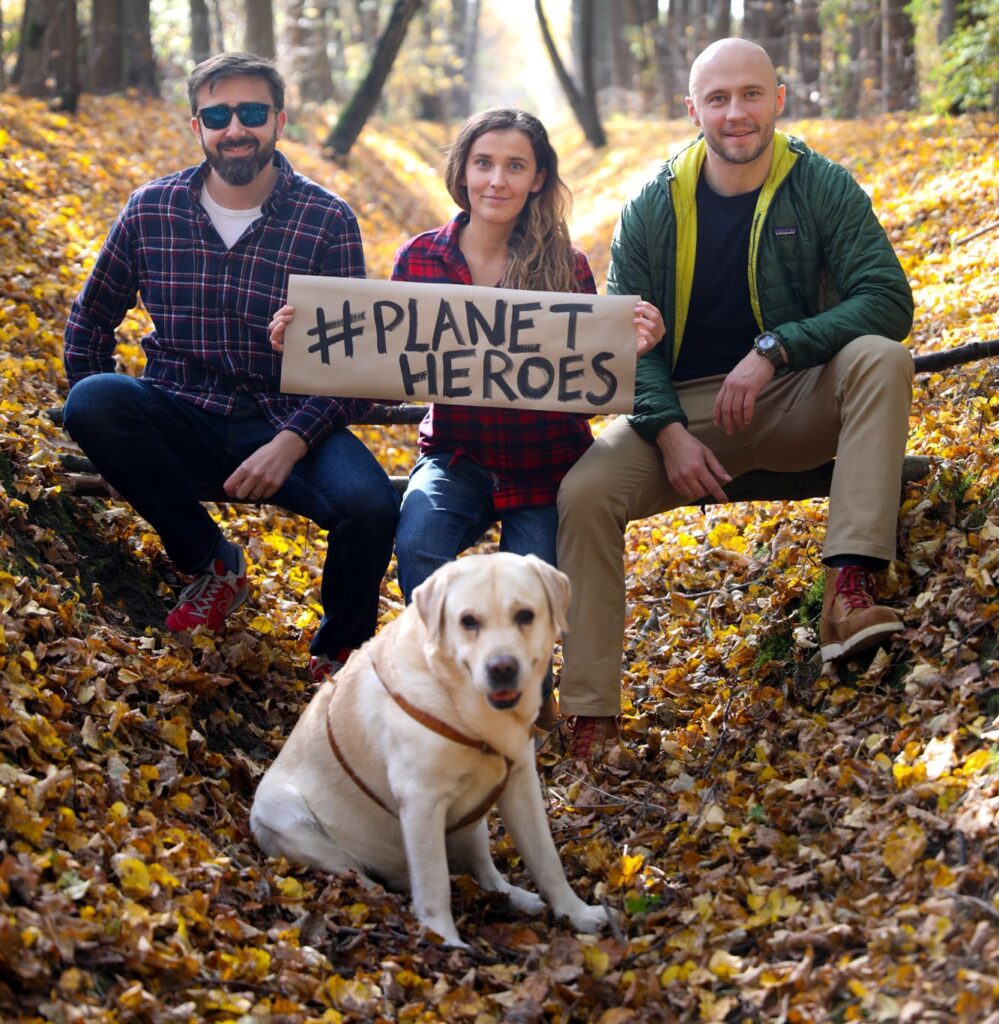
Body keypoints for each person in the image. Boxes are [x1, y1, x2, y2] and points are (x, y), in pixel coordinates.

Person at [555, 37, 915, 759]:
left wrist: (776, 348)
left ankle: (848, 587)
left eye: (750, 94)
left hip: (791, 398)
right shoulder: (651, 207)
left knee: (879, 356)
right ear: (692, 111)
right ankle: (591, 711)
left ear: (777, 100)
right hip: (685, 414)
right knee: (586, 491)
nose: (735, 113)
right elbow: (632, 340)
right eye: (717, 99)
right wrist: (663, 432)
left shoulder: (820, 186)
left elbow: (886, 299)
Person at [272, 108, 662, 720]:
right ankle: (458, 689)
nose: (497, 181)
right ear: (464, 170)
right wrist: (309, 345)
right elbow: (387, 376)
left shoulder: (566, 265)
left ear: (537, 179)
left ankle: (527, 696)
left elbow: (591, 376)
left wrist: (633, 345)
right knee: (420, 546)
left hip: (546, 469)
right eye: (484, 163)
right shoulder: (422, 258)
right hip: (457, 457)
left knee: (534, 592)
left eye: (515, 167)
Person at [62, 52, 400, 683]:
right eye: (218, 114)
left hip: (284, 417)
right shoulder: (150, 210)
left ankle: (339, 653)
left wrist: (291, 443)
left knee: (371, 505)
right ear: (198, 126)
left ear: (278, 121)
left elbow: (355, 366)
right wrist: (109, 445)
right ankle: (213, 563)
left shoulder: (325, 219)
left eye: (251, 112)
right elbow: (90, 321)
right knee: (94, 401)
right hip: (177, 408)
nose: (235, 128)